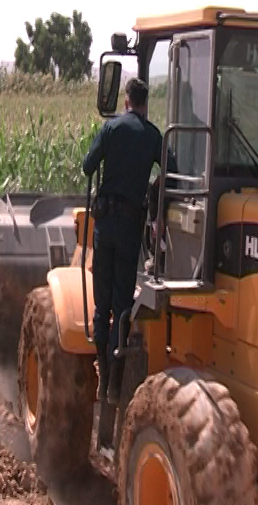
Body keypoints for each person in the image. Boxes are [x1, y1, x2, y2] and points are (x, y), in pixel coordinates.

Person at [82, 77, 174, 404]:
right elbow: (173, 171)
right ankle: (114, 384)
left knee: (101, 302)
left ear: (126, 100)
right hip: (131, 228)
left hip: (105, 225)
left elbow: (87, 166)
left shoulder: (111, 129)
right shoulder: (152, 136)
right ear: (145, 103)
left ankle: (102, 374)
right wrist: (152, 190)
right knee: (122, 303)